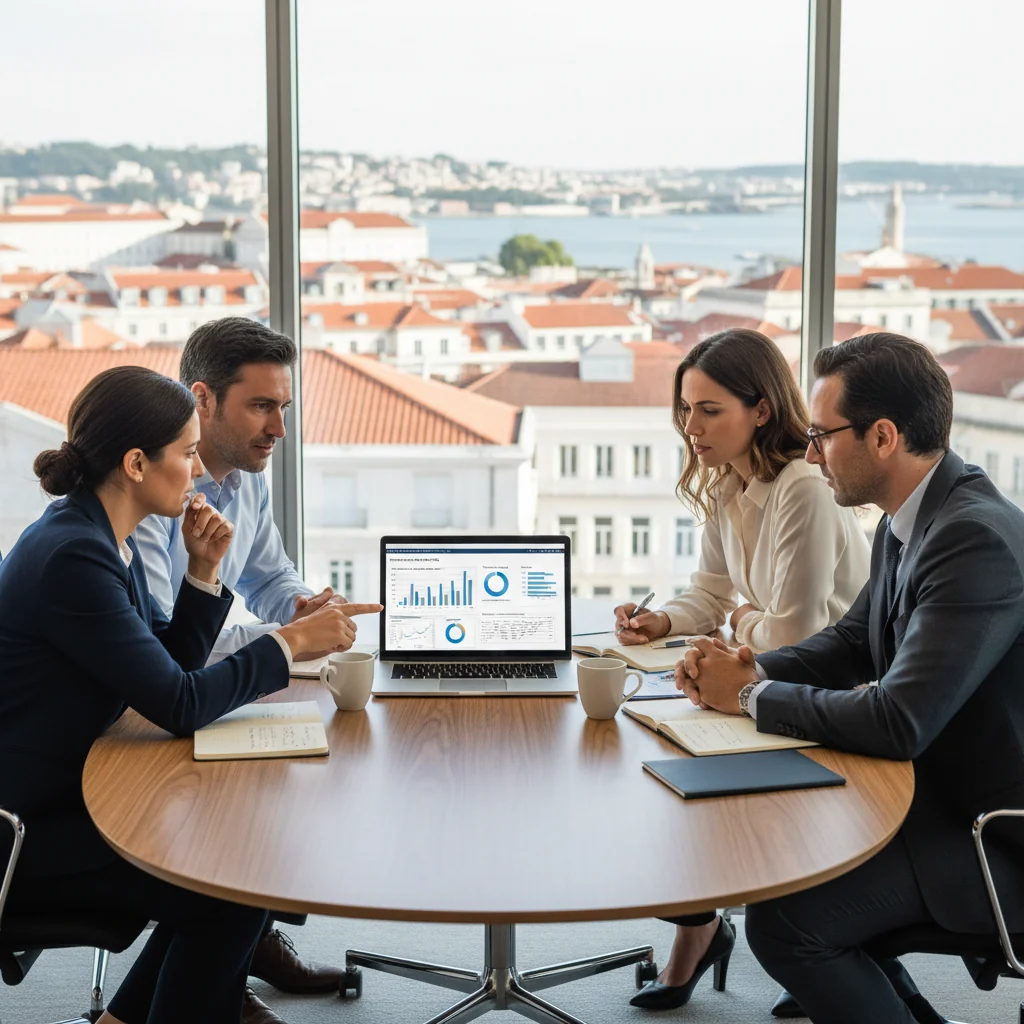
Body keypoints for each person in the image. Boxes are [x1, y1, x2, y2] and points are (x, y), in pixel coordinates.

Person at [0, 366, 379, 1024]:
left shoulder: (94, 536)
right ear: (137, 463)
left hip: (77, 785)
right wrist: (289, 642)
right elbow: (177, 704)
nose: (199, 470)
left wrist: (202, 576)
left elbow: (158, 675)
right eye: (187, 452)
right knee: (231, 881)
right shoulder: (73, 556)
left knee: (240, 860)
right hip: (29, 831)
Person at [679, 332, 1024, 1024]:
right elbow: (848, 645)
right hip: (933, 794)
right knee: (778, 858)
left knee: (785, 924)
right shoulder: (910, 517)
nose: (810, 453)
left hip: (992, 833)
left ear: (885, 437)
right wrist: (747, 667)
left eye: (823, 436)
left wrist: (748, 696)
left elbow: (899, 723)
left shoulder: (973, 538)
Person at [615, 328, 874, 1016]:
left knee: (687, 756)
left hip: (829, 700)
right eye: (684, 410)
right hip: (766, 681)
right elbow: (710, 593)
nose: (690, 428)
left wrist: (736, 625)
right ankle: (699, 934)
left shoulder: (803, 489)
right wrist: (662, 623)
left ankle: (768, 945)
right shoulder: (731, 485)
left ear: (761, 411)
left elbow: (793, 631)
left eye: (709, 410)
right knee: (663, 748)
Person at [133, 317, 350, 1008]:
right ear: (202, 400)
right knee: (243, 832)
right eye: (262, 406)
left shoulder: (244, 478)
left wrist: (301, 607)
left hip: (187, 692)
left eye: (283, 407)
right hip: (137, 722)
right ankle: (223, 969)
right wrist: (286, 645)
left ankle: (241, 949)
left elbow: (268, 573)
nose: (278, 429)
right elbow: (168, 647)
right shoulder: (148, 493)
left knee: (295, 776)